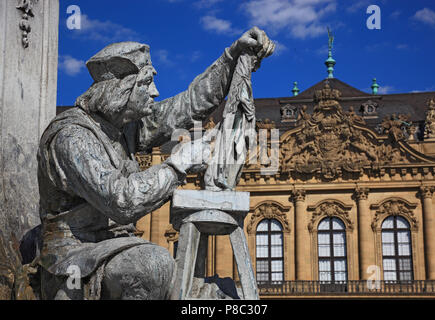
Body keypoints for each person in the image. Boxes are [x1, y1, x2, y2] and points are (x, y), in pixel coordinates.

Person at [36, 27, 274, 300]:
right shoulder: (72, 137)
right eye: (146, 83)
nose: (155, 91)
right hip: (74, 261)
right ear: (122, 88)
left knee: (223, 295)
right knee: (153, 265)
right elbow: (122, 201)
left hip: (117, 253)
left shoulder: (123, 127)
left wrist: (233, 56)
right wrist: (178, 164)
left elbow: (190, 104)